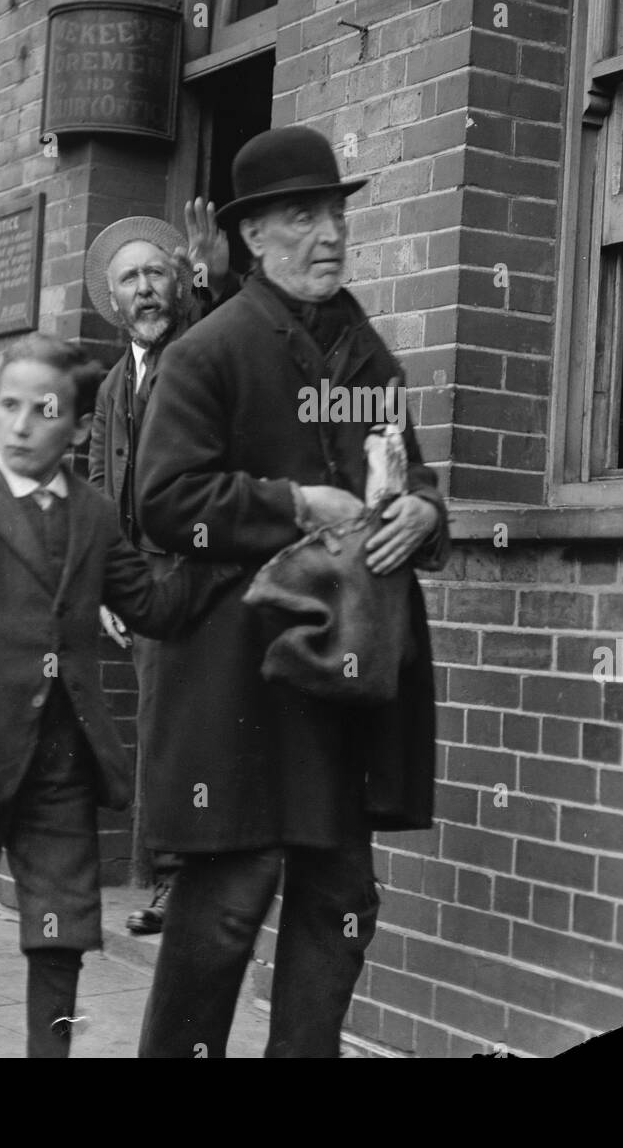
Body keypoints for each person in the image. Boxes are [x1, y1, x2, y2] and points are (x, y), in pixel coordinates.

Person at [134, 126, 449, 1058]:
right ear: (253, 239)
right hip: (243, 677)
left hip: (346, 675)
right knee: (228, 900)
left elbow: (410, 477)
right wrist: (291, 503)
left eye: (337, 214)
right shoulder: (212, 351)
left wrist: (425, 515)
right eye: (302, 216)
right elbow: (164, 502)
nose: (329, 235)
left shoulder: (364, 354)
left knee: (341, 896)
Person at [0, 333, 231, 1058]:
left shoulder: (94, 516)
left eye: (42, 410)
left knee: (61, 936)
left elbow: (157, 610)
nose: (19, 424)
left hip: (59, 763)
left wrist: (222, 539)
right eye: (7, 405)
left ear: (75, 430)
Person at [85, 206, 233, 935]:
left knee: (184, 725)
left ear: (178, 285)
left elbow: (230, 336)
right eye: (129, 280)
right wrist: (104, 584)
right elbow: (96, 486)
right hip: (142, 580)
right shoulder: (115, 385)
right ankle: (178, 878)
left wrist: (211, 274)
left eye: (156, 274)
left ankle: (186, 881)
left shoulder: (199, 353)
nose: (144, 290)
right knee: (163, 726)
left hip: (202, 571)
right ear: (113, 302)